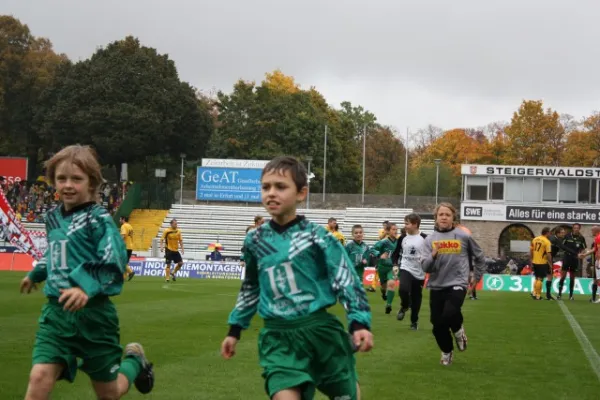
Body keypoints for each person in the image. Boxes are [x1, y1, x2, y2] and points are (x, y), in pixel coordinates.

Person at [221, 156, 373, 400]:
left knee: (346, 395)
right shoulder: (254, 241)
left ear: (301, 193)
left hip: (320, 334)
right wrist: (235, 329)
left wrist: (359, 322)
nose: (271, 193)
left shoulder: (318, 238)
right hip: (278, 338)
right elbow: (251, 287)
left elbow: (346, 280)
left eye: (280, 187)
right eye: (266, 187)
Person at [19, 144, 154, 399]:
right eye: (61, 178)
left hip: (95, 318)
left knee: (109, 393)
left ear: (92, 183)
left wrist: (85, 287)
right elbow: (55, 254)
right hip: (56, 315)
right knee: (38, 377)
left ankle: (135, 361)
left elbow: (114, 258)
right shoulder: (52, 219)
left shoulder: (99, 219)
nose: (68, 185)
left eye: (76, 179)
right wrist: (36, 273)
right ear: (53, 181)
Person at [421, 202, 486, 366]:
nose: (444, 217)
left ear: (453, 218)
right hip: (436, 285)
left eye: (447, 215)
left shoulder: (463, 236)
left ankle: (458, 331)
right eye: (441, 214)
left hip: (458, 283)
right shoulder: (429, 240)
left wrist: (476, 277)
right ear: (436, 218)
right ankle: (447, 351)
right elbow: (425, 267)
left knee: (449, 313)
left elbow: (479, 256)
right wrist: (433, 256)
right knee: (437, 326)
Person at [392, 213, 427, 330]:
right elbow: (395, 254)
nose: (405, 226)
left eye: (407, 223)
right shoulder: (402, 238)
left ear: (415, 224)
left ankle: (414, 321)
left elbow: (431, 254)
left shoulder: (425, 238)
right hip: (405, 268)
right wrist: (395, 264)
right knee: (403, 289)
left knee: (417, 298)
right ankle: (405, 306)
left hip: (420, 272)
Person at [366, 222, 399, 314]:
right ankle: (383, 292)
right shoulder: (383, 242)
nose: (395, 231)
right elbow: (372, 249)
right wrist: (379, 254)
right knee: (384, 286)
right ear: (388, 231)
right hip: (382, 267)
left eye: (396, 229)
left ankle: (388, 305)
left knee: (392, 283)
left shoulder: (399, 242)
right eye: (393, 229)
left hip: (393, 267)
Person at [558, 223, 587, 300]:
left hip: (575, 259)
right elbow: (562, 246)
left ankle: (571, 295)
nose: (576, 229)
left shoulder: (581, 238)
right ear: (573, 228)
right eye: (575, 228)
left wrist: (582, 254)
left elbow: (584, 249)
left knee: (572, 278)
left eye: (577, 228)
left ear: (579, 229)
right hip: (567, 258)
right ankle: (559, 294)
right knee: (563, 277)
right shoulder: (567, 236)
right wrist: (570, 251)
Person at [530, 227, 553, 300]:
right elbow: (548, 254)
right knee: (540, 279)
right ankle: (538, 296)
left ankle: (534, 293)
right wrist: (550, 263)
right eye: (550, 232)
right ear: (547, 232)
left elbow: (531, 250)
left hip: (534, 261)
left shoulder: (535, 239)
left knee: (536, 278)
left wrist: (531, 259)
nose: (550, 234)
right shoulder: (547, 242)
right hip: (542, 262)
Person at [345, 224, 370, 290]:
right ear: (352, 234)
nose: (358, 234)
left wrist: (365, 262)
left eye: (360, 232)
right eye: (356, 233)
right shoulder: (349, 246)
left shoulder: (366, 247)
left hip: (360, 273)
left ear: (363, 234)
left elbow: (367, 261)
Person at [120, 216, 135, 281]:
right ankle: (124, 277)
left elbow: (123, 235)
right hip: (130, 246)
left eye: (120, 219)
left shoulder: (123, 226)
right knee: (125, 262)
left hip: (125, 246)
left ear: (123, 219)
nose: (119, 220)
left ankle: (131, 272)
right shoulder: (130, 226)